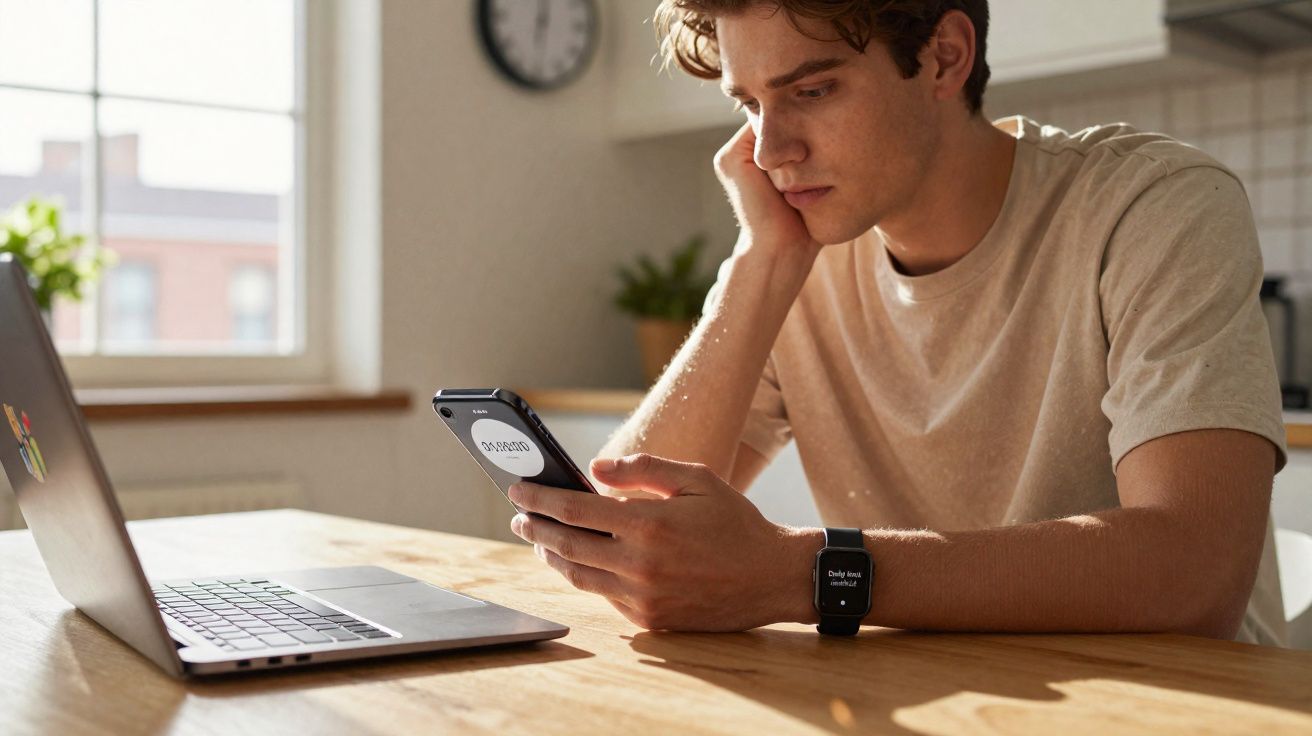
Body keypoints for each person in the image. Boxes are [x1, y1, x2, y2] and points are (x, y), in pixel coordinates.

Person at [508, 0, 1288, 646]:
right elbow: (627, 541)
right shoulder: (802, 253)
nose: (773, 151)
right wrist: (760, 267)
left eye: (811, 91)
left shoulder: (1151, 204)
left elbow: (1195, 570)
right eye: (750, 107)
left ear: (945, 57)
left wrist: (805, 573)